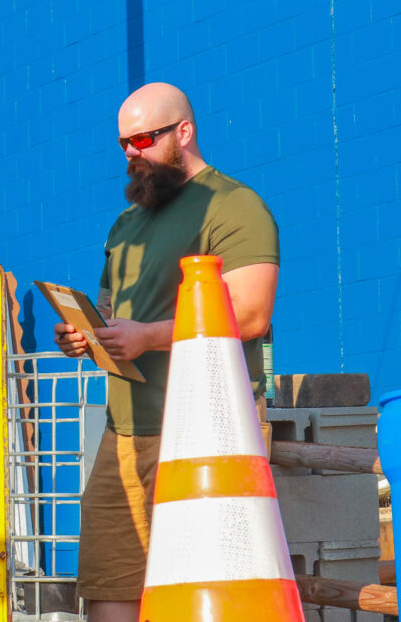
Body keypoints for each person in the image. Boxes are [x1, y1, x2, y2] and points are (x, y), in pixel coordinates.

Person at [53, 82, 279, 622]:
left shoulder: (233, 205)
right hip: (125, 432)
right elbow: (110, 312)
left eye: (143, 139)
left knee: (209, 596)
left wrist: (146, 336)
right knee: (111, 591)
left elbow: (250, 313)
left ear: (184, 132)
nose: (131, 153)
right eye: (123, 143)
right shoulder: (126, 224)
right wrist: (84, 336)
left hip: (209, 432)